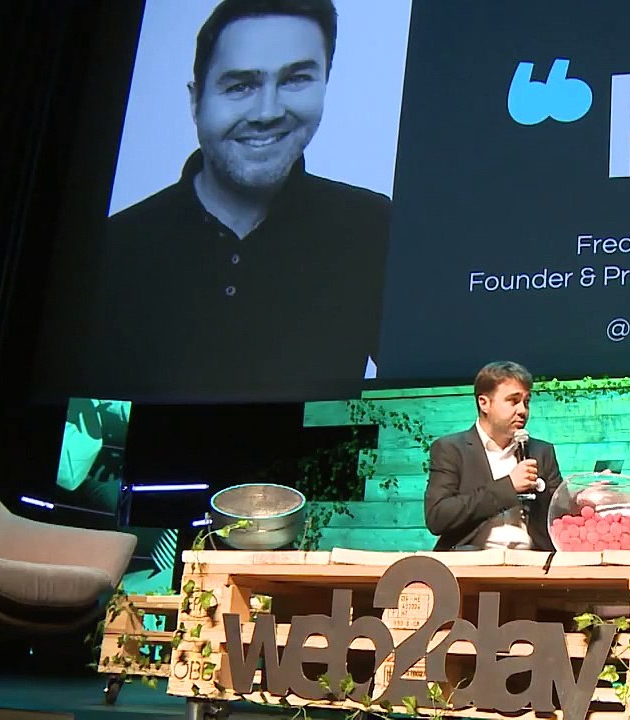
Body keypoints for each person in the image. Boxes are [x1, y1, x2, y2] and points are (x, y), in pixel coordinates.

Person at [94, 0, 391, 400]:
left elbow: (417, 411)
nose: (267, 112)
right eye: (240, 86)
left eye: (295, 79)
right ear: (195, 101)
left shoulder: (375, 228)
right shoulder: (114, 247)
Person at [424, 361, 563, 551]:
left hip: (533, 564)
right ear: (484, 403)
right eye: (513, 401)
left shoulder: (541, 451)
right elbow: (437, 517)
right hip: (471, 560)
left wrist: (579, 497)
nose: (522, 410)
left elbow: (558, 512)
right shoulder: (451, 449)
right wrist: (508, 487)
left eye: (526, 402)